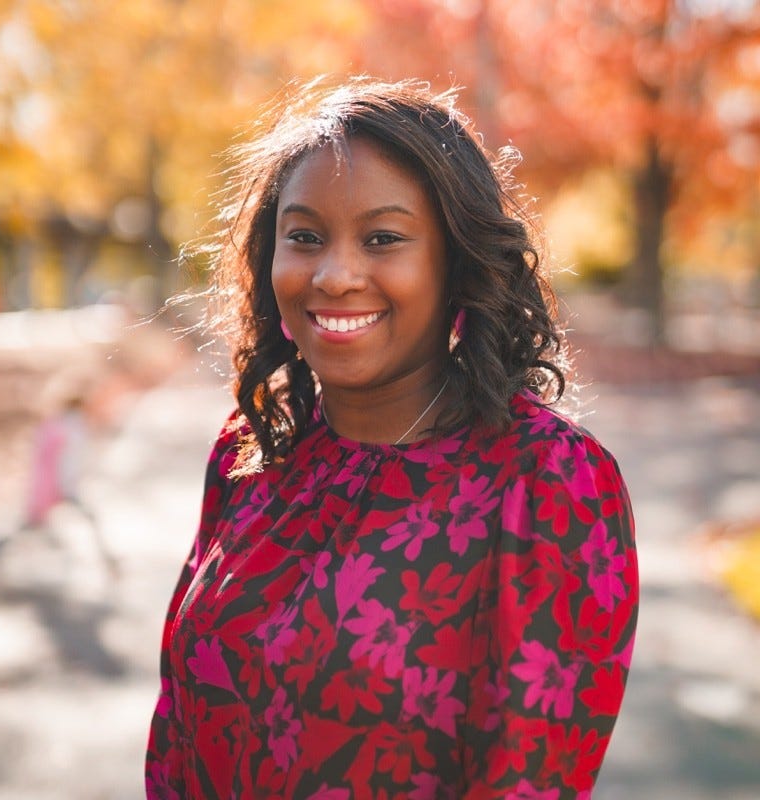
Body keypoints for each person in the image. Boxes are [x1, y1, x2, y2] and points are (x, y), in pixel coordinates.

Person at [145, 77, 638, 799]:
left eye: (383, 239)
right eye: (305, 237)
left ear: (457, 265)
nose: (335, 275)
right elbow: (178, 740)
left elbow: (528, 780)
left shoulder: (545, 484)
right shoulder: (253, 452)